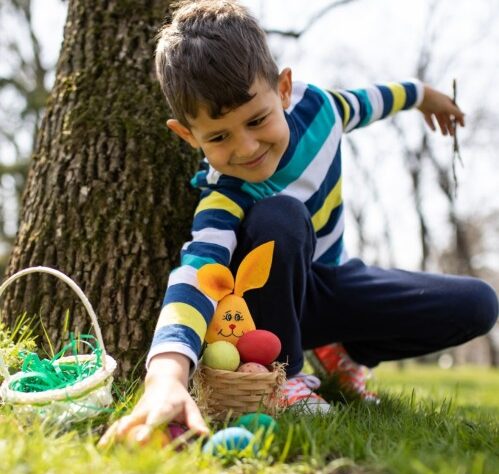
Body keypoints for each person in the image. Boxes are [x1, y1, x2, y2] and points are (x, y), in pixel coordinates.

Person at [101, 0, 498, 444]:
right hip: (264, 313)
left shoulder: (323, 110)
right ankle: (284, 375)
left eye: (257, 120)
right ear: (188, 135)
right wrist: (166, 377)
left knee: (478, 304)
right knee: (281, 215)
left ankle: (341, 351)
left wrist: (424, 95)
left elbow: (378, 100)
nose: (246, 147)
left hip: (332, 285)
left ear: (284, 89)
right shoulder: (224, 195)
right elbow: (195, 276)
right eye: (219, 136)